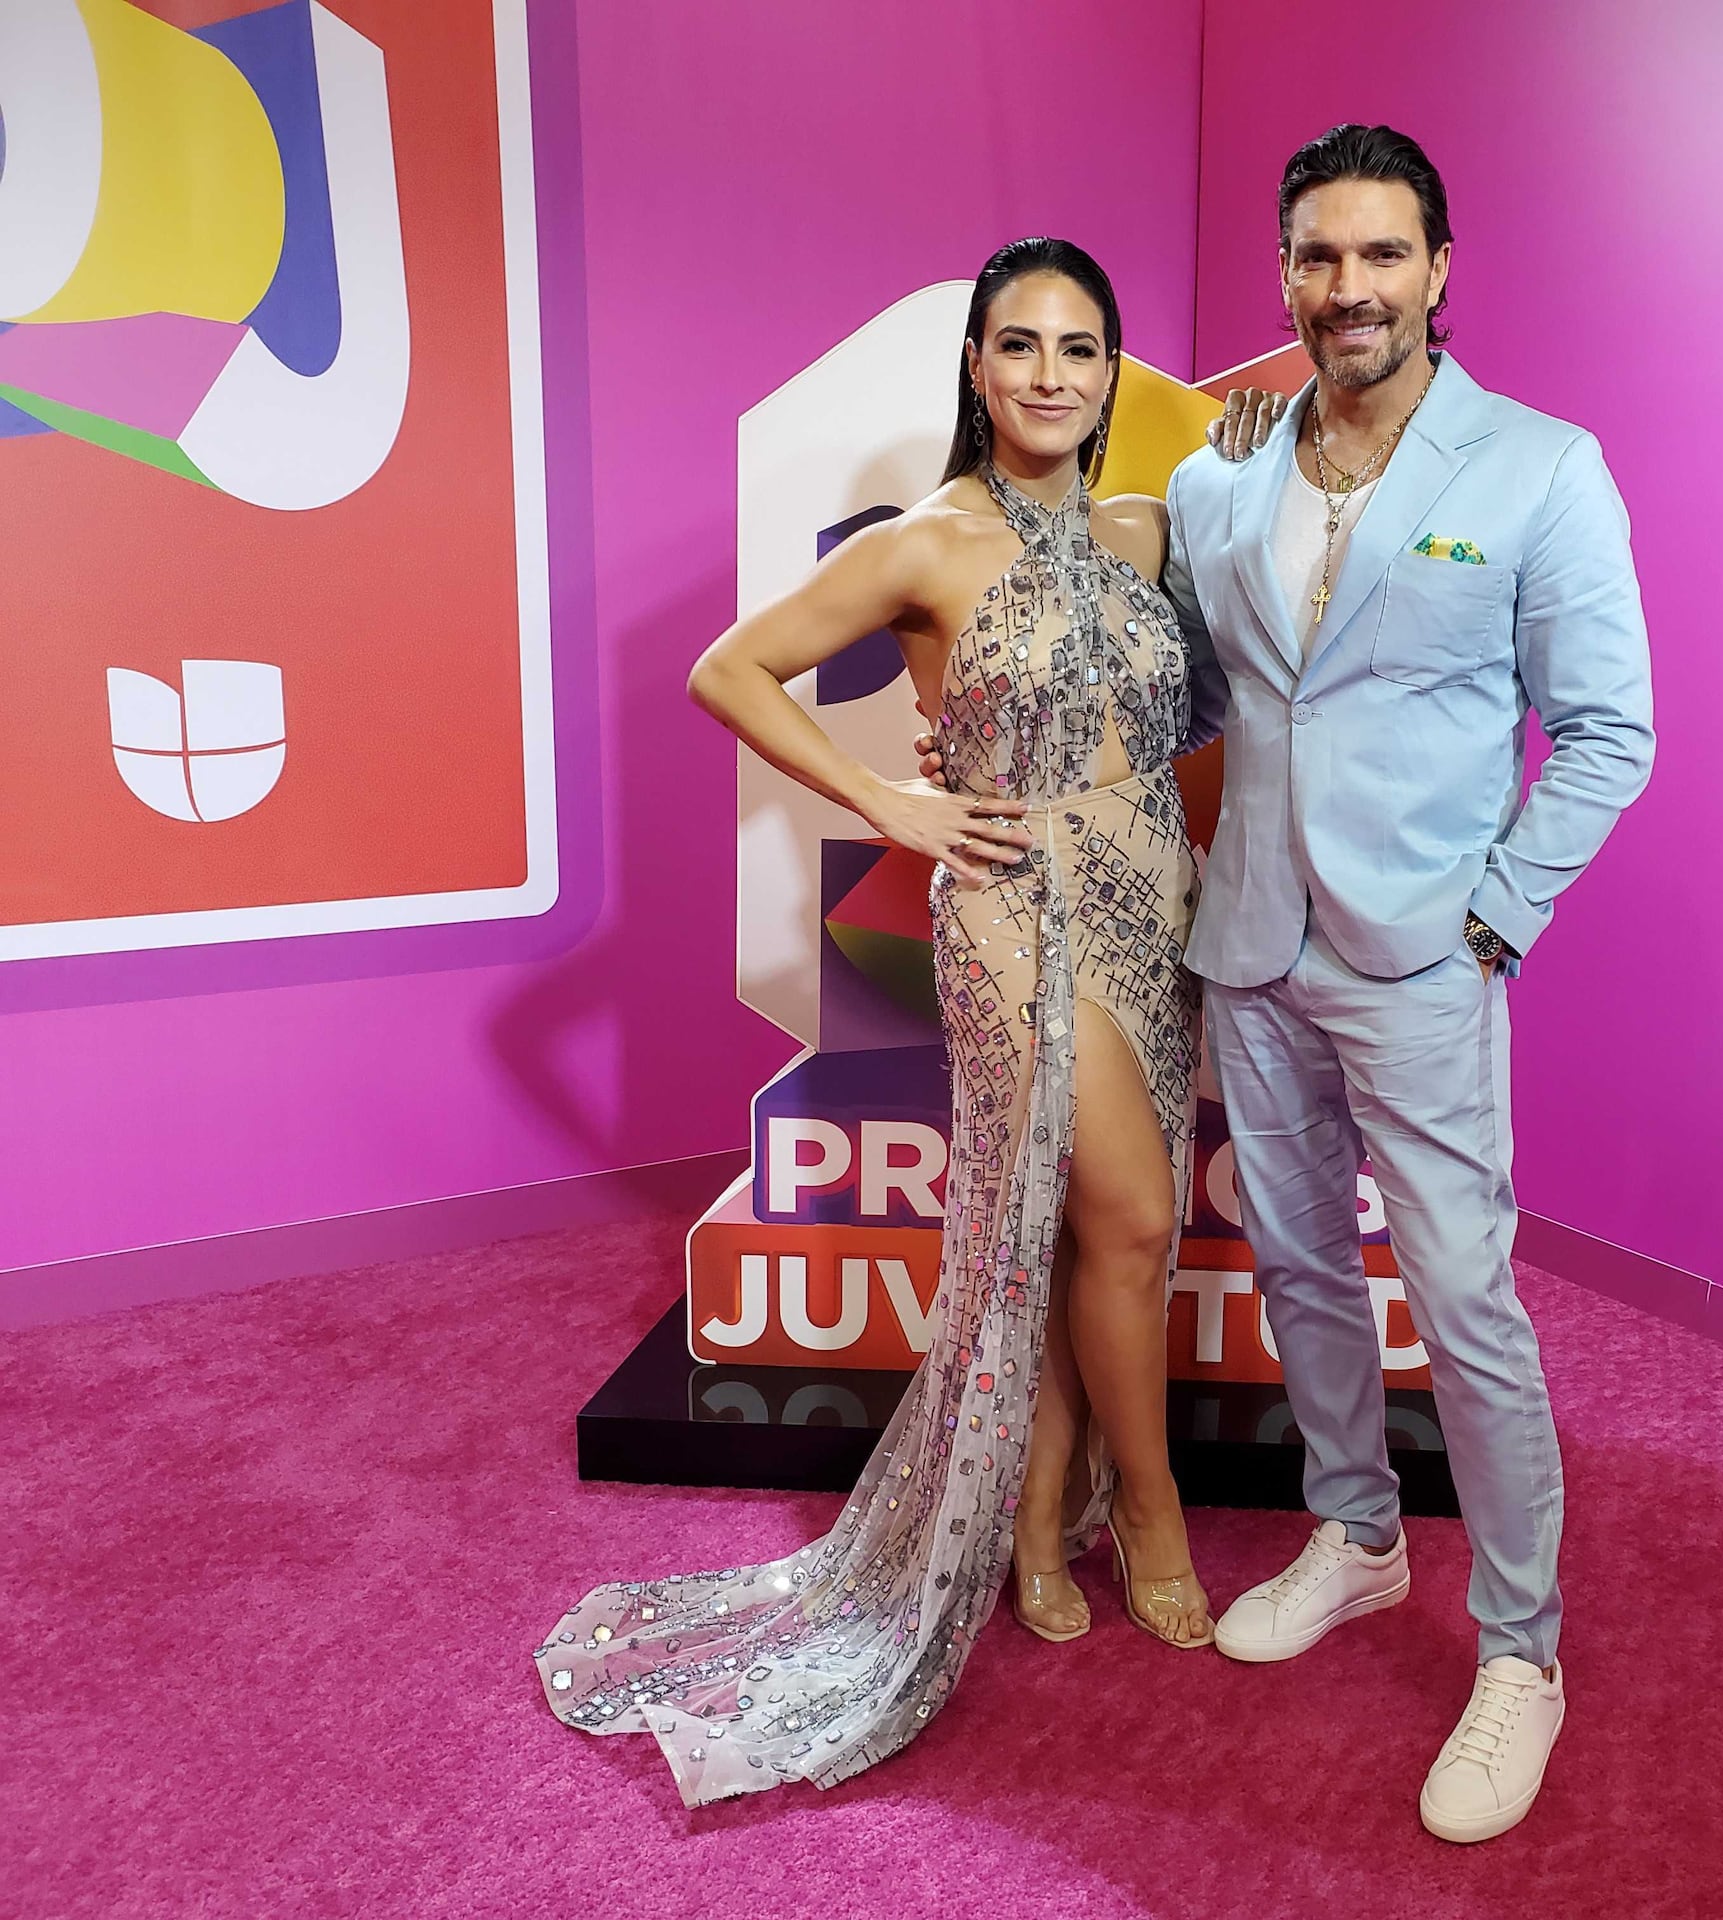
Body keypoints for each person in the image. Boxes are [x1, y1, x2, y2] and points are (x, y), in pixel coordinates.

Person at [534, 237, 1222, 1809]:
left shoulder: (1143, 524)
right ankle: (1157, 1510)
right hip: (1014, 914)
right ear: (976, 370)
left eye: (1082, 349)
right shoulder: (929, 540)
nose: (1052, 374)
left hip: (1149, 906)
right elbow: (731, 668)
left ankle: (1044, 1508)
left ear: (1113, 374)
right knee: (1120, 1222)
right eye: (1021, 346)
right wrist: (888, 803)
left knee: (1076, 1231)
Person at [1181, 125, 1654, 1844]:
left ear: (1441, 271)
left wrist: (1496, 921)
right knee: (1304, 1269)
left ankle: (1521, 1653)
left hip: (1423, 963)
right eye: (1318, 256)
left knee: (1468, 1307)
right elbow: (1210, 703)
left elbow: (1610, 732)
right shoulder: (1222, 479)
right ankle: (1358, 1540)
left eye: (1383, 255)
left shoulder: (1540, 467)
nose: (1349, 288)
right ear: (1285, 272)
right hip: (1248, 948)